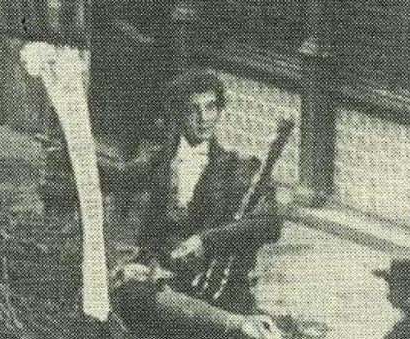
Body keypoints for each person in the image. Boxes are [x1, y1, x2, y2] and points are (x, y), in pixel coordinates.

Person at [108, 69, 285, 339]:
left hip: (210, 284)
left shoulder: (237, 168)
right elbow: (117, 188)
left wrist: (205, 241)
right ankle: (232, 324)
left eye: (211, 107)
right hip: (160, 279)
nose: (204, 119)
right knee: (128, 292)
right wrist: (130, 261)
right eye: (194, 109)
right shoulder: (158, 162)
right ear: (178, 114)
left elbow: (270, 224)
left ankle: (232, 323)